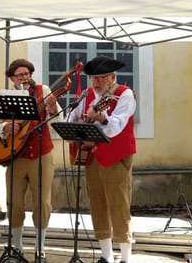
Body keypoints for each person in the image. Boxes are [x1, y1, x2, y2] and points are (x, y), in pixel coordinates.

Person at [0, 58, 61, 261]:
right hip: (16, 156)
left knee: (42, 202)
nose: (25, 78)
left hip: (42, 154)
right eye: (20, 75)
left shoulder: (44, 91)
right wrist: (3, 128)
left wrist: (52, 109)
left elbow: (59, 122)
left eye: (27, 74)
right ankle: (17, 247)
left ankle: (39, 248)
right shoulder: (6, 97)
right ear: (12, 78)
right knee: (14, 202)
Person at [66, 56, 137, 263]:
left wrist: (102, 117)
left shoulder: (125, 95)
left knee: (119, 204)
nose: (95, 82)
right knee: (97, 204)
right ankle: (106, 257)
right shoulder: (87, 95)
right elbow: (71, 119)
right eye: (93, 78)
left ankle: (125, 258)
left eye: (100, 78)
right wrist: (74, 118)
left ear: (112, 77)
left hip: (116, 156)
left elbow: (116, 127)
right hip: (91, 156)